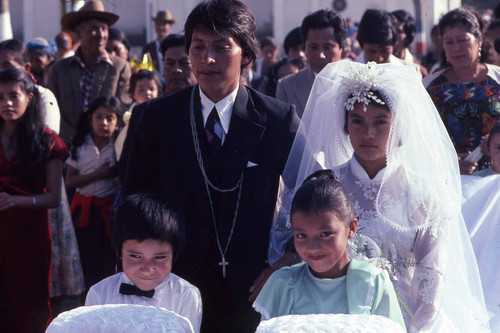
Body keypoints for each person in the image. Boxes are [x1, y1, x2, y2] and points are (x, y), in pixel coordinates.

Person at [270, 60, 490, 332]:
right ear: (345, 125)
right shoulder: (325, 186)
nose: (368, 133)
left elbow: (432, 279)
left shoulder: (423, 193)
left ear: (397, 125)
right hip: (333, 316)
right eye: (358, 121)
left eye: (380, 122)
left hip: (406, 318)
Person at [123, 1, 299, 331]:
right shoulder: (155, 118)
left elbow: (314, 191)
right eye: (199, 47)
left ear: (246, 55)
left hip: (254, 288)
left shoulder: (277, 120)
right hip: (172, 284)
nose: (208, 59)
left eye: (221, 47)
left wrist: (288, 260)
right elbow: (134, 200)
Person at [254, 170, 405, 330]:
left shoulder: (373, 284)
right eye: (302, 235)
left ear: (352, 227)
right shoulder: (283, 285)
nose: (313, 247)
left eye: (325, 234)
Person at [0, 67, 68, 333]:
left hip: (29, 232)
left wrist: (17, 201)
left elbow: (53, 197)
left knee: (29, 299)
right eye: (0, 96)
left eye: (13, 95)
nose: (6, 103)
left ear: (29, 97)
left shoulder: (47, 139)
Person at [85, 192, 202, 332]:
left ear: (174, 255)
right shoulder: (99, 293)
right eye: (135, 256)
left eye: (159, 257)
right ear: (119, 252)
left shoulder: (186, 295)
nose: (147, 268)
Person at [423, 7, 500, 175]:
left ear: (479, 41)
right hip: (448, 178)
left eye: (462, 40)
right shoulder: (429, 87)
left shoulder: (497, 80)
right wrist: (449, 162)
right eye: (449, 42)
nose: (456, 47)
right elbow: (420, 138)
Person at [48, 0, 131, 146]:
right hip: (66, 147)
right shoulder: (58, 69)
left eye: (104, 29)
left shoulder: (120, 67)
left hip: (106, 148)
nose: (101, 35)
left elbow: (122, 110)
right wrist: (74, 140)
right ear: (79, 32)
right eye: (94, 29)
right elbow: (52, 110)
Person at [66, 96, 124, 293]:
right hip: (84, 213)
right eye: (98, 117)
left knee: (107, 260)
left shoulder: (119, 146)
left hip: (108, 213)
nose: (104, 123)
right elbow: (70, 181)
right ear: (90, 119)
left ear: (118, 122)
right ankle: (85, 301)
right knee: (85, 258)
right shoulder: (81, 145)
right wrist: (98, 174)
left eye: (110, 118)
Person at [276, 9, 347, 117]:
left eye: (327, 47)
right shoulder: (286, 87)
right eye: (313, 47)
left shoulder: (359, 83)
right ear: (305, 48)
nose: (320, 55)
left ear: (341, 48)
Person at [115, 69, 160, 162]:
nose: (147, 93)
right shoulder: (130, 116)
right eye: (141, 89)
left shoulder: (160, 112)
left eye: (151, 89)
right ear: (132, 93)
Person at [143, 9, 178, 74]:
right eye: (158, 24)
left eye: (164, 24)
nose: (160, 27)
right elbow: (146, 69)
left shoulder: (177, 47)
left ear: (170, 27)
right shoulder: (148, 49)